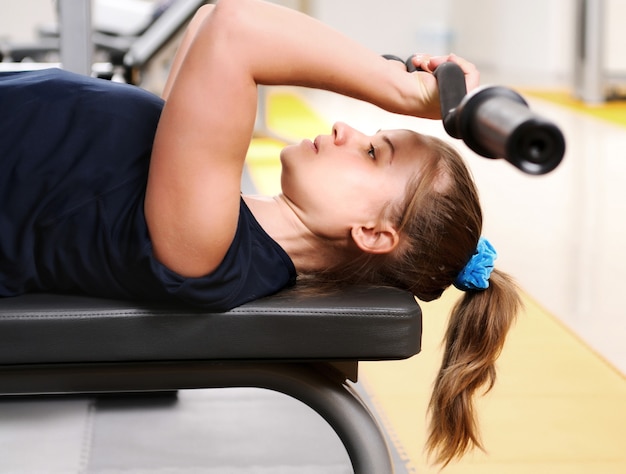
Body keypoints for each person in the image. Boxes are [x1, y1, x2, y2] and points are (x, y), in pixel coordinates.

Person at [0, 0, 521, 466]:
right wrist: (393, 69)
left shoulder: (209, 245)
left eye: (372, 153)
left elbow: (234, 28)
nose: (346, 130)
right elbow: (208, 18)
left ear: (373, 233)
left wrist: (401, 92)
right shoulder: (219, 205)